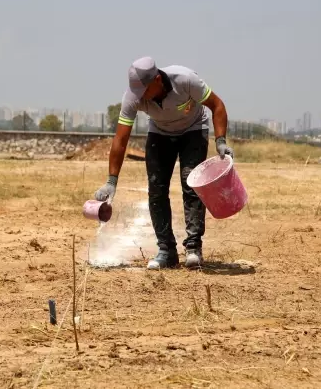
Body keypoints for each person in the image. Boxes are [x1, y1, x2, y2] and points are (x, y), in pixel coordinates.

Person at [94, 57, 234, 270]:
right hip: (160, 133)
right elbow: (121, 139)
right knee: (156, 190)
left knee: (191, 184)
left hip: (194, 130)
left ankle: (194, 247)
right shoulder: (132, 97)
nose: (139, 97)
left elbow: (217, 105)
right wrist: (111, 181)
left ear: (157, 79)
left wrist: (221, 141)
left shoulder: (186, 80)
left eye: (143, 91)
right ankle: (167, 251)